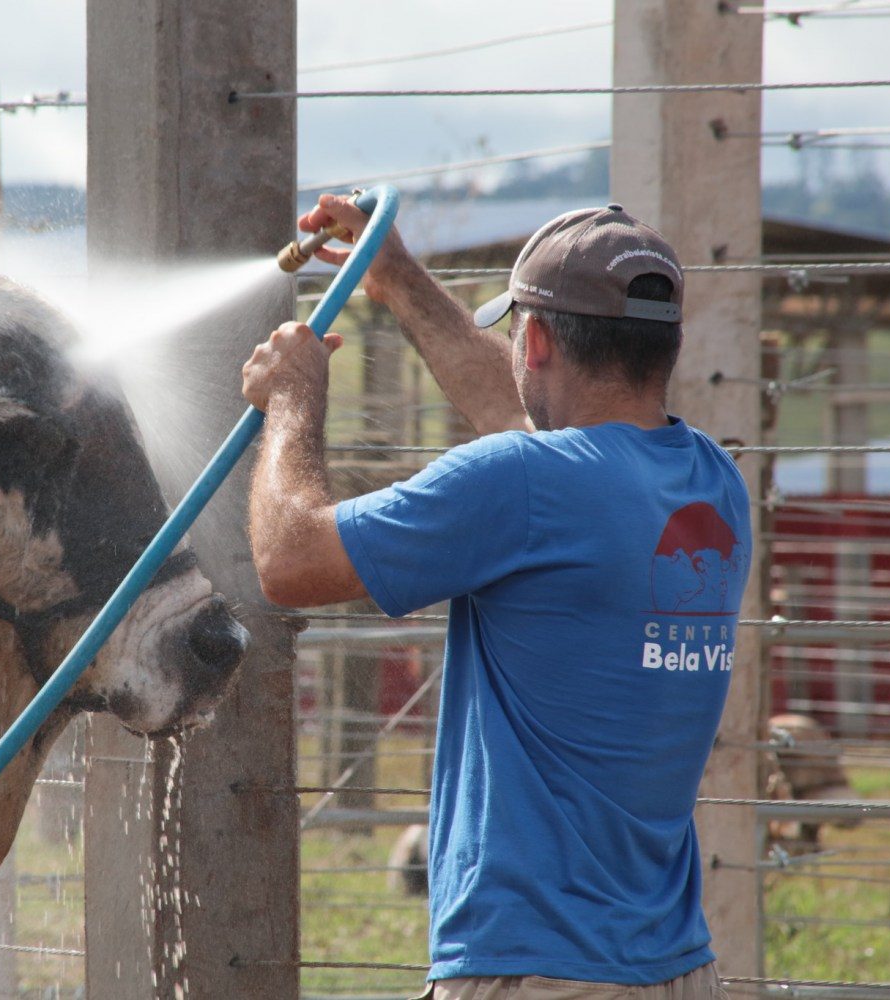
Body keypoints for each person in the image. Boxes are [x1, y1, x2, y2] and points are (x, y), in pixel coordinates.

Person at [242, 196, 751, 1000]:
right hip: (675, 967)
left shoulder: (524, 482)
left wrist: (293, 403)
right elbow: (519, 415)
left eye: (515, 332)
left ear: (537, 338)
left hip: (534, 971)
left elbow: (290, 558)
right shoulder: (711, 484)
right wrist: (401, 281)